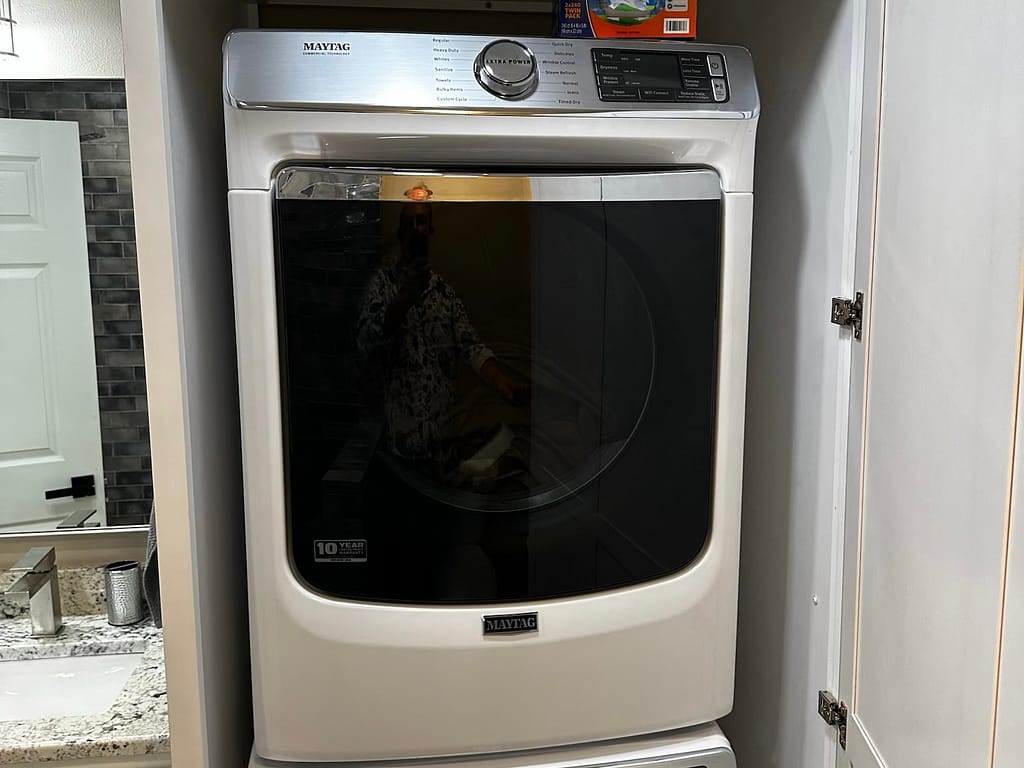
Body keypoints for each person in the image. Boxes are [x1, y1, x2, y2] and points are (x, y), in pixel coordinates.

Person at [355, 202, 525, 465]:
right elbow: (365, 344)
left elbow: (472, 348)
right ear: (400, 233)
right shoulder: (381, 285)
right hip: (396, 449)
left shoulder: (444, 294)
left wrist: (503, 383)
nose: (416, 229)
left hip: (444, 447)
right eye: (409, 223)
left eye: (422, 221)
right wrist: (403, 300)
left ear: (431, 230)